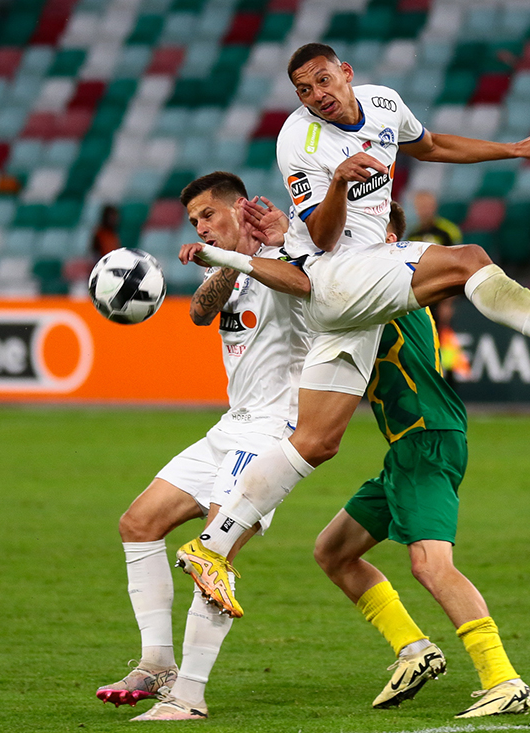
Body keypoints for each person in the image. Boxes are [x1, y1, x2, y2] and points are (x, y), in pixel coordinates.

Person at [176, 42, 530, 644]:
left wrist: (512, 150)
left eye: (322, 81)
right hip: (341, 275)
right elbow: (322, 234)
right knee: (467, 259)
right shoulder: (299, 140)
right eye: (304, 90)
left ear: (346, 73)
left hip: (349, 306)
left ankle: (214, 545)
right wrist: (339, 183)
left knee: (315, 441)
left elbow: (436, 146)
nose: (316, 96)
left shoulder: (385, 105)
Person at [94, 171, 311, 721]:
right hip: (231, 427)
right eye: (194, 222)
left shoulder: (287, 252)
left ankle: (188, 696)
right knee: (137, 524)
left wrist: (265, 245)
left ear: (240, 208)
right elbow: (199, 312)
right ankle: (157, 661)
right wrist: (224, 257)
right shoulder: (232, 270)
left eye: (209, 216)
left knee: (212, 558)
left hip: (271, 434)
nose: (202, 228)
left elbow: (304, 286)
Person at [313, 201, 530, 718]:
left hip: (426, 439)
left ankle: (502, 678)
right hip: (409, 447)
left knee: (431, 565)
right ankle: (415, 650)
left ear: (390, 238)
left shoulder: (392, 288)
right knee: (334, 551)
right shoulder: (365, 292)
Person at [409, 191, 468, 383]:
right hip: (423, 298)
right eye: (420, 206)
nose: (423, 210)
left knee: (445, 337)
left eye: (427, 205)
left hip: (442, 296)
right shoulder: (413, 234)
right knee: (425, 339)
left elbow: (458, 266)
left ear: (434, 206)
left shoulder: (447, 231)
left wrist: (448, 302)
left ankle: (450, 380)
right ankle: (429, 381)